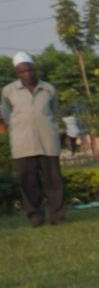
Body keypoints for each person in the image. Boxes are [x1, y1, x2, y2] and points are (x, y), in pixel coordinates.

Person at [1, 52, 66, 227]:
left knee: (54, 180)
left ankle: (57, 216)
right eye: (23, 72)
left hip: (48, 142)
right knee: (28, 182)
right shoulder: (8, 91)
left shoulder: (48, 89)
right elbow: (7, 116)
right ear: (17, 73)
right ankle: (35, 216)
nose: (27, 74)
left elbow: (54, 111)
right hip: (23, 144)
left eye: (30, 70)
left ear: (35, 70)